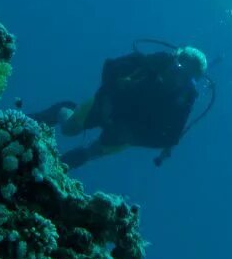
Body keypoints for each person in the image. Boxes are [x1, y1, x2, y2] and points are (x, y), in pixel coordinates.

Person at [30, 43, 212, 169]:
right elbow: (111, 67)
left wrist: (134, 138)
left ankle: (54, 172)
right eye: (179, 69)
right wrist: (107, 99)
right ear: (174, 59)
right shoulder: (149, 64)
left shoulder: (184, 99)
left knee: (93, 151)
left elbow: (170, 137)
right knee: (69, 128)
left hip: (129, 128)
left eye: (187, 78)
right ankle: (62, 109)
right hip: (109, 104)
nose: (177, 79)